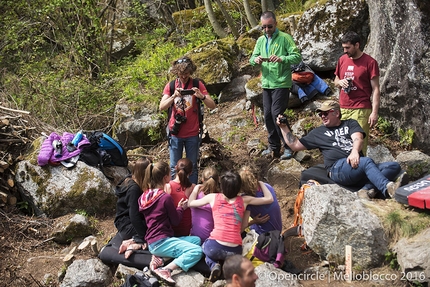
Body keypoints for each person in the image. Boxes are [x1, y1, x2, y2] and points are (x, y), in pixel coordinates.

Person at [277, 100, 402, 199]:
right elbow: (295, 145)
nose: (322, 116)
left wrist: (354, 152)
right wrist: (283, 127)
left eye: (326, 113)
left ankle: (366, 190)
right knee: (366, 162)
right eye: (321, 114)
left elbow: (358, 138)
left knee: (393, 166)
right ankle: (389, 188)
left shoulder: (350, 123)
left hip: (356, 165)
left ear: (336, 113)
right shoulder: (318, 132)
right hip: (337, 169)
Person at [188, 171, 273, 282]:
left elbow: (190, 203)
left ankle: (213, 265)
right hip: (235, 250)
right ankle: (225, 268)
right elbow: (269, 198)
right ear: (239, 187)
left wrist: (196, 188)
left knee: (204, 248)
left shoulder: (213, 197)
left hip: (214, 246)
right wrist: (261, 183)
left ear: (221, 186)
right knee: (228, 256)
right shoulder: (244, 200)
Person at [138, 161, 203, 285]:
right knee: (197, 251)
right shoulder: (164, 198)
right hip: (161, 241)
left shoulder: (144, 196)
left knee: (196, 240)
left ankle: (160, 258)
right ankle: (166, 269)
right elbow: (175, 220)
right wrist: (180, 208)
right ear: (165, 177)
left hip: (153, 239)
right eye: (169, 173)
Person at [249, 11, 302, 160]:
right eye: (263, 27)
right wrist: (256, 60)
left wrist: (282, 58)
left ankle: (289, 147)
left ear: (276, 24)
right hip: (266, 83)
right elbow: (251, 59)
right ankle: (274, 147)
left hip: (281, 82)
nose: (266, 30)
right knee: (267, 116)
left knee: (276, 114)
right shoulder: (260, 40)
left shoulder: (285, 38)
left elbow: (297, 57)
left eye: (269, 26)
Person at [159, 56, 216, 184]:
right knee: (175, 168)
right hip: (176, 133)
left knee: (193, 167)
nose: (184, 76)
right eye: (181, 74)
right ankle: (176, 193)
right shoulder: (172, 86)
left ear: (190, 72)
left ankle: (192, 195)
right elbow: (162, 107)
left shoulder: (197, 84)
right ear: (176, 72)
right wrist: (173, 96)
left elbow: (212, 105)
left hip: (192, 133)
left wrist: (201, 97)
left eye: (186, 73)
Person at [334, 31, 380, 156]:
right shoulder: (342, 60)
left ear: (357, 45)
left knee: (358, 143)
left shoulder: (370, 62)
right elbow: (336, 80)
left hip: (361, 108)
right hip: (343, 107)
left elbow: (376, 89)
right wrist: (340, 82)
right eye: (343, 48)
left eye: (348, 48)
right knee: (343, 143)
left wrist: (374, 113)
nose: (345, 51)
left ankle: (361, 170)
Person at [114, 157, 151, 259]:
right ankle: (135, 241)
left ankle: (135, 240)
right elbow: (134, 216)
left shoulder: (131, 179)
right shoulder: (133, 189)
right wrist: (143, 235)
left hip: (126, 222)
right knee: (154, 229)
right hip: (126, 225)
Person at [239, 166, 282, 234]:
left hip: (265, 235)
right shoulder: (267, 187)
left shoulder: (246, 200)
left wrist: (254, 221)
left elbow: (241, 229)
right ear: (257, 177)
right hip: (278, 230)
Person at [165, 158, 195, 237]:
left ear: (175, 168)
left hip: (170, 229)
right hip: (186, 230)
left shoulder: (167, 187)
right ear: (191, 172)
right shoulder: (193, 188)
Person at [189, 166, 220, 243]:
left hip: (195, 238)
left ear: (202, 180)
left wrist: (196, 188)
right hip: (212, 239)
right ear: (218, 179)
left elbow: (190, 203)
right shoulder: (219, 197)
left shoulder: (196, 194)